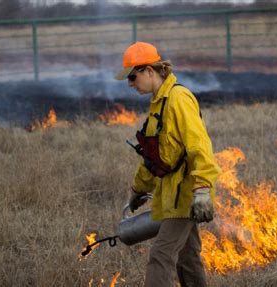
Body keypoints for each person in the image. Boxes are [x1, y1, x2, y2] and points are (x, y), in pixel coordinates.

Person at [115, 42, 220, 287]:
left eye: (133, 77)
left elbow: (199, 146)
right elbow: (154, 157)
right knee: (188, 258)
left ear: (150, 71)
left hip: (185, 197)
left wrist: (203, 189)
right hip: (171, 197)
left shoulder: (178, 99)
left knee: (161, 257)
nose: (130, 84)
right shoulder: (158, 105)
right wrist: (137, 190)